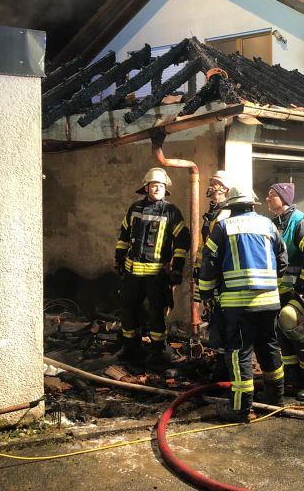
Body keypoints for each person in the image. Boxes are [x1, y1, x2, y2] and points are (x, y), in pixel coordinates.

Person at [198, 185, 288, 422]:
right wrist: (271, 285)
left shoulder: (223, 227)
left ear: (231, 205)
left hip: (238, 304)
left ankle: (240, 408)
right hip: (269, 302)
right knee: (269, 347)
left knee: (240, 353)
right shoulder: (268, 225)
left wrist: (205, 294)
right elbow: (283, 259)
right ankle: (275, 399)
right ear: (251, 204)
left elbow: (209, 263)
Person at [114, 167, 190, 371]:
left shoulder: (171, 212)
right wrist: (119, 259)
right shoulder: (135, 208)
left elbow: (182, 241)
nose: (158, 189)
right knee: (128, 311)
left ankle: (157, 351)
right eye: (154, 185)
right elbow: (124, 235)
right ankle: (131, 347)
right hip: (132, 273)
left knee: (156, 313)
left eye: (161, 186)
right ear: (146, 187)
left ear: (166, 190)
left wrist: (177, 268)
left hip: (156, 275)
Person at [266, 182, 304, 401]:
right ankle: (292, 374)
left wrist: (302, 288)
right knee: (281, 332)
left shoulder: (301, 222)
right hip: (278, 290)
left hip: (296, 291)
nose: (267, 198)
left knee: (295, 328)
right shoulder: (274, 223)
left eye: (272, 194)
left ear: (284, 198)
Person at [193, 170, 232, 381]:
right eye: (211, 182)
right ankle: (220, 360)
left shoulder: (226, 213)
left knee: (222, 320)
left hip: (221, 275)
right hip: (210, 271)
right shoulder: (213, 212)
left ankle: (225, 366)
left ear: (225, 189)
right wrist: (198, 267)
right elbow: (204, 246)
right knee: (214, 318)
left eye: (215, 182)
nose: (211, 185)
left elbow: (218, 248)